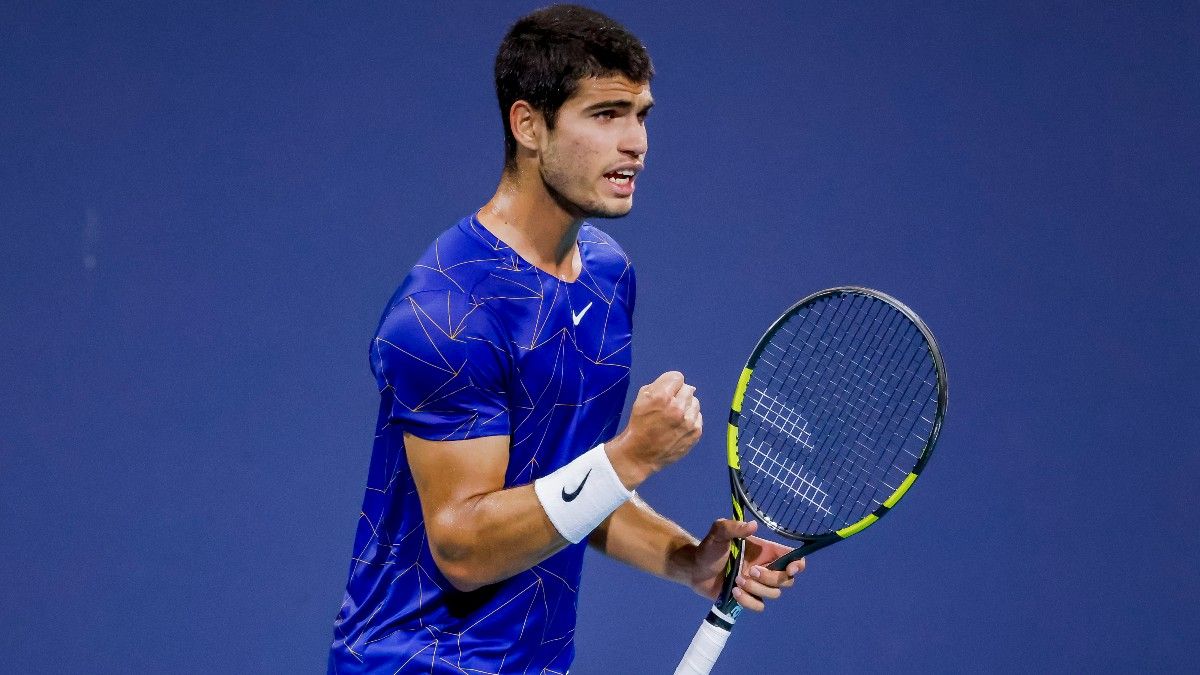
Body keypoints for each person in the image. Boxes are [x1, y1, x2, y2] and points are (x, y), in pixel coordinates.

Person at [329, 5, 804, 673]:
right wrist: (631, 456)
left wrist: (685, 558)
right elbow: (463, 549)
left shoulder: (607, 275)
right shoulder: (447, 312)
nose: (635, 142)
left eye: (641, 114)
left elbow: (568, 489)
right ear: (529, 125)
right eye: (605, 114)